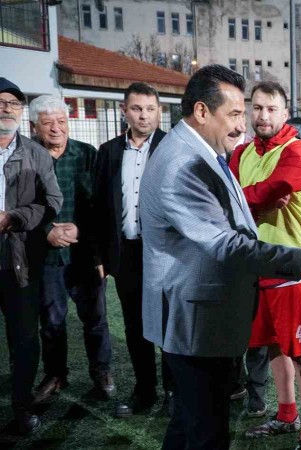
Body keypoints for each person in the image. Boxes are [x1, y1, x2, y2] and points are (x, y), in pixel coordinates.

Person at [139, 64, 301, 450]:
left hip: (212, 306)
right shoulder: (185, 162)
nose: (243, 125)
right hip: (196, 319)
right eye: (237, 114)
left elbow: (262, 196)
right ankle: (289, 414)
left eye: (246, 113)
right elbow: (225, 244)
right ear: (202, 111)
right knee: (206, 431)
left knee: (190, 423)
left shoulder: (205, 151)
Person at [228, 81, 301, 449]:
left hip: (288, 269)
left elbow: (282, 183)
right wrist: (256, 204)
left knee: (300, 353)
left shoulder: (296, 148)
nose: (263, 115)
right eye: (257, 108)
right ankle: (286, 414)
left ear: (285, 113)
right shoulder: (242, 153)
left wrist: (244, 204)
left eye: (271, 109)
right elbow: (226, 200)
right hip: (254, 268)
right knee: (272, 347)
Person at [94, 82, 176, 417]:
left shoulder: (173, 147)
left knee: (169, 324)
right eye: (137, 108)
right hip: (126, 253)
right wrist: (100, 256)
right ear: (124, 111)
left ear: (159, 111)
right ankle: (145, 391)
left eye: (150, 109)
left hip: (166, 253)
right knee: (135, 326)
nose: (144, 115)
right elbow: (98, 207)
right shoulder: (108, 152)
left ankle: (173, 391)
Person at [28, 95, 114, 404]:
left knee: (96, 319)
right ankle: (55, 375)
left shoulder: (87, 154)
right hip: (46, 257)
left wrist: (83, 233)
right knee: (51, 322)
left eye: (61, 121)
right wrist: (46, 231)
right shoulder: (24, 157)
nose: (56, 128)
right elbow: (16, 204)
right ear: (33, 126)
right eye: (47, 123)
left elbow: (101, 206)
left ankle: (102, 372)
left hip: (85, 254)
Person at [0, 77, 63, 434]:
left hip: (20, 258)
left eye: (13, 103)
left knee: (24, 338)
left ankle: (22, 407)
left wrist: (14, 218)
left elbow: (52, 202)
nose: (7, 108)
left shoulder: (36, 154)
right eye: (0, 102)